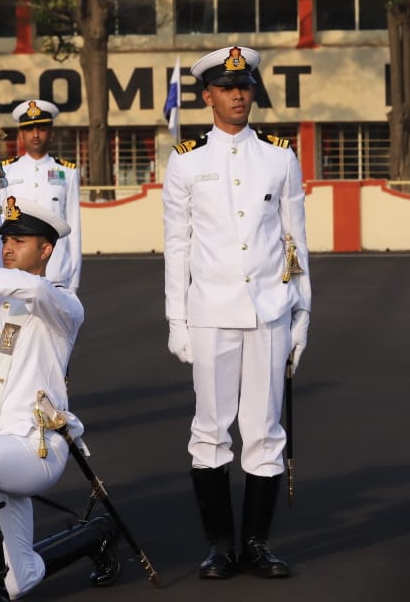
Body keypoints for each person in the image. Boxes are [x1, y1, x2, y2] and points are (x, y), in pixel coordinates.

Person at [162, 45, 311, 581]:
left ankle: (257, 544)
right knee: (210, 430)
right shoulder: (186, 160)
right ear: (208, 97)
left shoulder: (280, 156)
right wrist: (177, 320)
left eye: (245, 86)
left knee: (266, 431)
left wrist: (302, 313)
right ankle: (220, 547)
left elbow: (296, 242)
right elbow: (176, 246)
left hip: (269, 309)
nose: (239, 95)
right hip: (211, 312)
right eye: (228, 88)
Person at [0, 197, 119, 601]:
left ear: (46, 249)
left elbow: (32, 287)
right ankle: (94, 534)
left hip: (33, 447)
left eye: (20, 240)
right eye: (6, 240)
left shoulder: (61, 304)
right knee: (18, 580)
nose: (7, 248)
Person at [0, 100, 82, 292]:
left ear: (51, 132)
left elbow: (74, 229)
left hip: (57, 272)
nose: (35, 134)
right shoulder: (7, 170)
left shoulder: (67, 172)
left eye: (41, 128)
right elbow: (1, 224)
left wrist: (73, 283)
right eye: (29, 129)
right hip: (17, 272)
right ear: (21, 134)